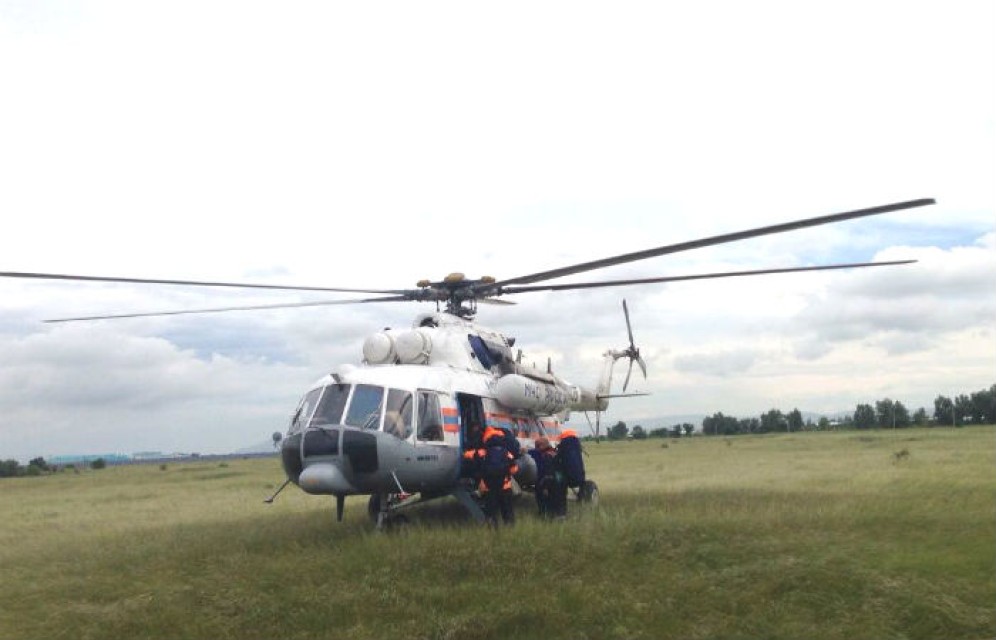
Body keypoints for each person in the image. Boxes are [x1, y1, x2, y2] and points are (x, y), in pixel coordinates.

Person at [463, 426, 518, 527]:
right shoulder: (507, 453)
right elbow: (514, 469)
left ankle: (493, 529)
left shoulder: (482, 452)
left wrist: (465, 452)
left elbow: (468, 455)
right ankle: (509, 528)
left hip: (489, 487)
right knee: (507, 511)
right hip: (505, 487)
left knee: (491, 511)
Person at [528, 436, 560, 517]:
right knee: (554, 500)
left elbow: (548, 472)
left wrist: (545, 487)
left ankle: (544, 515)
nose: (536, 448)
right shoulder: (554, 452)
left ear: (542, 445)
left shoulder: (544, 455)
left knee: (542, 497)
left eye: (537, 446)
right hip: (557, 481)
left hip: (546, 481)